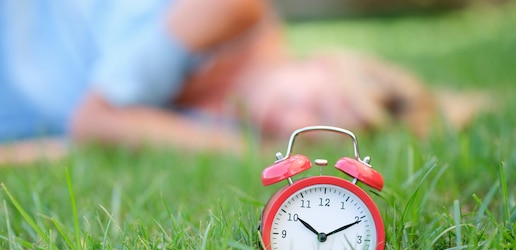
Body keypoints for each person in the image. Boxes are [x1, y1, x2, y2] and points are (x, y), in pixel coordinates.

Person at [0, 0, 490, 165]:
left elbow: (75, 146)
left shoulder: (231, 119)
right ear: (325, 62)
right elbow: (95, 121)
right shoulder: (236, 11)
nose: (290, 121)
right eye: (318, 105)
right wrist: (255, 156)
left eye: (305, 132)